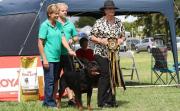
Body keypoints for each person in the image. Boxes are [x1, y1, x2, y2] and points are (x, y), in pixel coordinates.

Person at [38, 4, 75, 108]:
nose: (57, 15)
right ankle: (49, 103)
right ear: (49, 14)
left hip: (57, 58)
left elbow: (63, 38)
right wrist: (44, 59)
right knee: (50, 81)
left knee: (54, 80)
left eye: (58, 13)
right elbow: (40, 43)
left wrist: (69, 49)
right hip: (48, 58)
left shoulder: (58, 25)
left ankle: (47, 103)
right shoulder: (45, 25)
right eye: (55, 13)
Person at [90, 0, 125, 108]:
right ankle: (101, 101)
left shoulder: (119, 22)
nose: (111, 10)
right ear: (105, 11)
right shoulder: (99, 22)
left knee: (113, 75)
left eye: (113, 9)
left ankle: (111, 100)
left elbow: (123, 35)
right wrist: (101, 41)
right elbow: (91, 37)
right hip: (101, 53)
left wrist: (120, 40)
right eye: (109, 9)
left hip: (114, 54)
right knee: (105, 74)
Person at [56, 3, 79, 105]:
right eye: (62, 10)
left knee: (69, 77)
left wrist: (72, 40)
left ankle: (71, 99)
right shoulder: (54, 23)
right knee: (55, 77)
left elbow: (76, 37)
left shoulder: (70, 24)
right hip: (56, 55)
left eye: (66, 10)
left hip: (68, 55)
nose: (65, 12)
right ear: (57, 11)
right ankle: (55, 99)